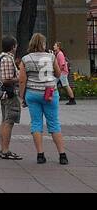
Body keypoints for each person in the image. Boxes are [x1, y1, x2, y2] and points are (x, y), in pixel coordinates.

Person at [21, 34, 67, 164]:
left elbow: (22, 80)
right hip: (50, 93)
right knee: (54, 123)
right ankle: (62, 155)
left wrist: (22, 97)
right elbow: (58, 73)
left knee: (36, 123)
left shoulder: (25, 59)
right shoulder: (51, 57)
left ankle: (40, 155)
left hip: (32, 93)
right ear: (44, 44)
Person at [0, 37, 24, 161]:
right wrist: (20, 78)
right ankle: (5, 150)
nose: (16, 47)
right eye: (15, 45)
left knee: (5, 120)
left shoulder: (1, 57)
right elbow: (6, 79)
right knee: (9, 121)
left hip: (4, 95)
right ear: (12, 46)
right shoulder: (7, 59)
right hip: (9, 94)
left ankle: (3, 149)